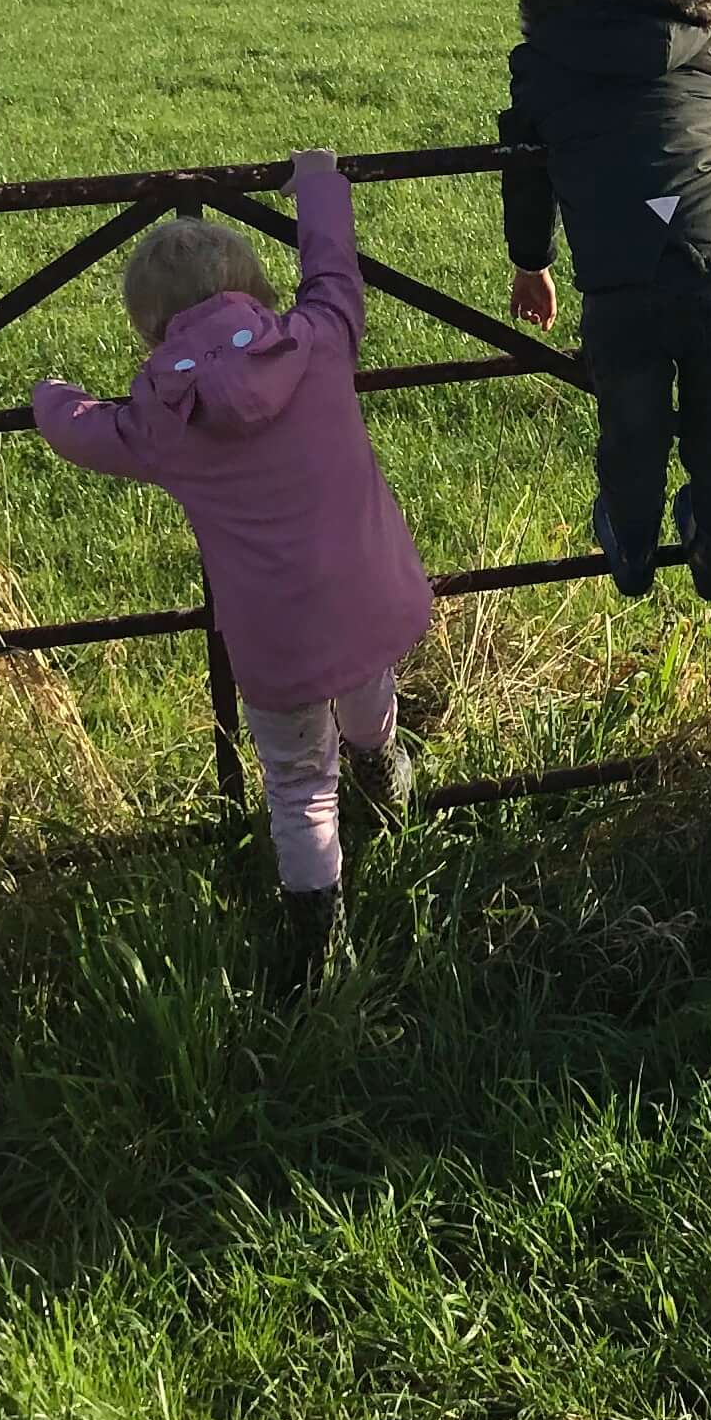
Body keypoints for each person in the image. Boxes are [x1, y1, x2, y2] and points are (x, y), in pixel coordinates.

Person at [32, 151, 430, 986]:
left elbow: (80, 431)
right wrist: (318, 182)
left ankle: (322, 945)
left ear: (151, 329)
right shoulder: (322, 339)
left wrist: (49, 396)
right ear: (257, 289)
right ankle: (385, 769)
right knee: (367, 684)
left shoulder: (162, 416)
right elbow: (334, 268)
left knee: (295, 786)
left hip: (275, 637)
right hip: (369, 593)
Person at [501, 0, 711, 600]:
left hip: (621, 270)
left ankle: (631, 547)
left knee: (631, 420)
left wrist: (532, 262)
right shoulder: (706, 39)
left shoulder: (542, 59)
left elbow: (527, 169)